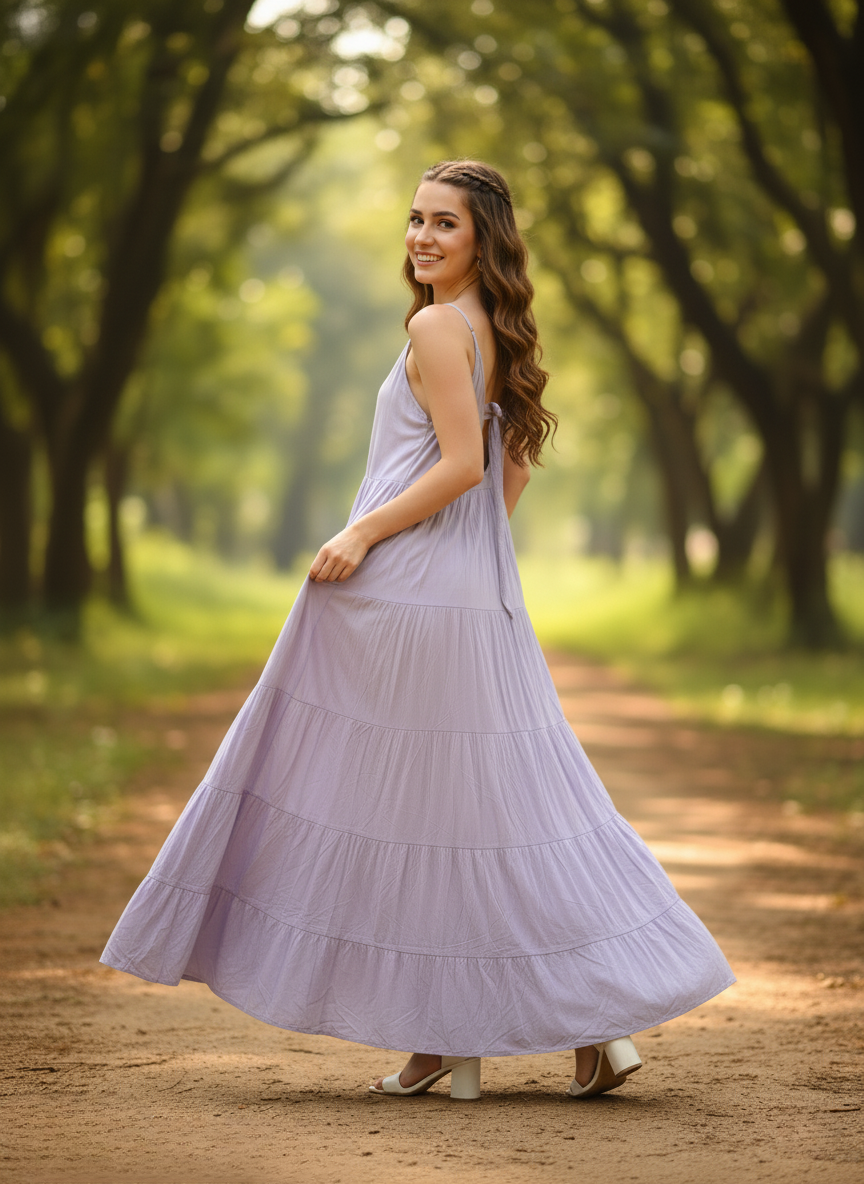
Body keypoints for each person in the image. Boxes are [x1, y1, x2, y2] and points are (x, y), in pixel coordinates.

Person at [101, 159, 734, 1102]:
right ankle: (526, 1032)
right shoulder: (496, 331)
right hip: (473, 593)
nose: (423, 238)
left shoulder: (437, 325)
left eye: (446, 224)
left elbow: (460, 467)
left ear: (484, 240)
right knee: (471, 815)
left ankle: (465, 1036)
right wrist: (466, 566)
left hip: (405, 589)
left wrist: (361, 532)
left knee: (387, 804)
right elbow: (509, 467)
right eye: (416, 220)